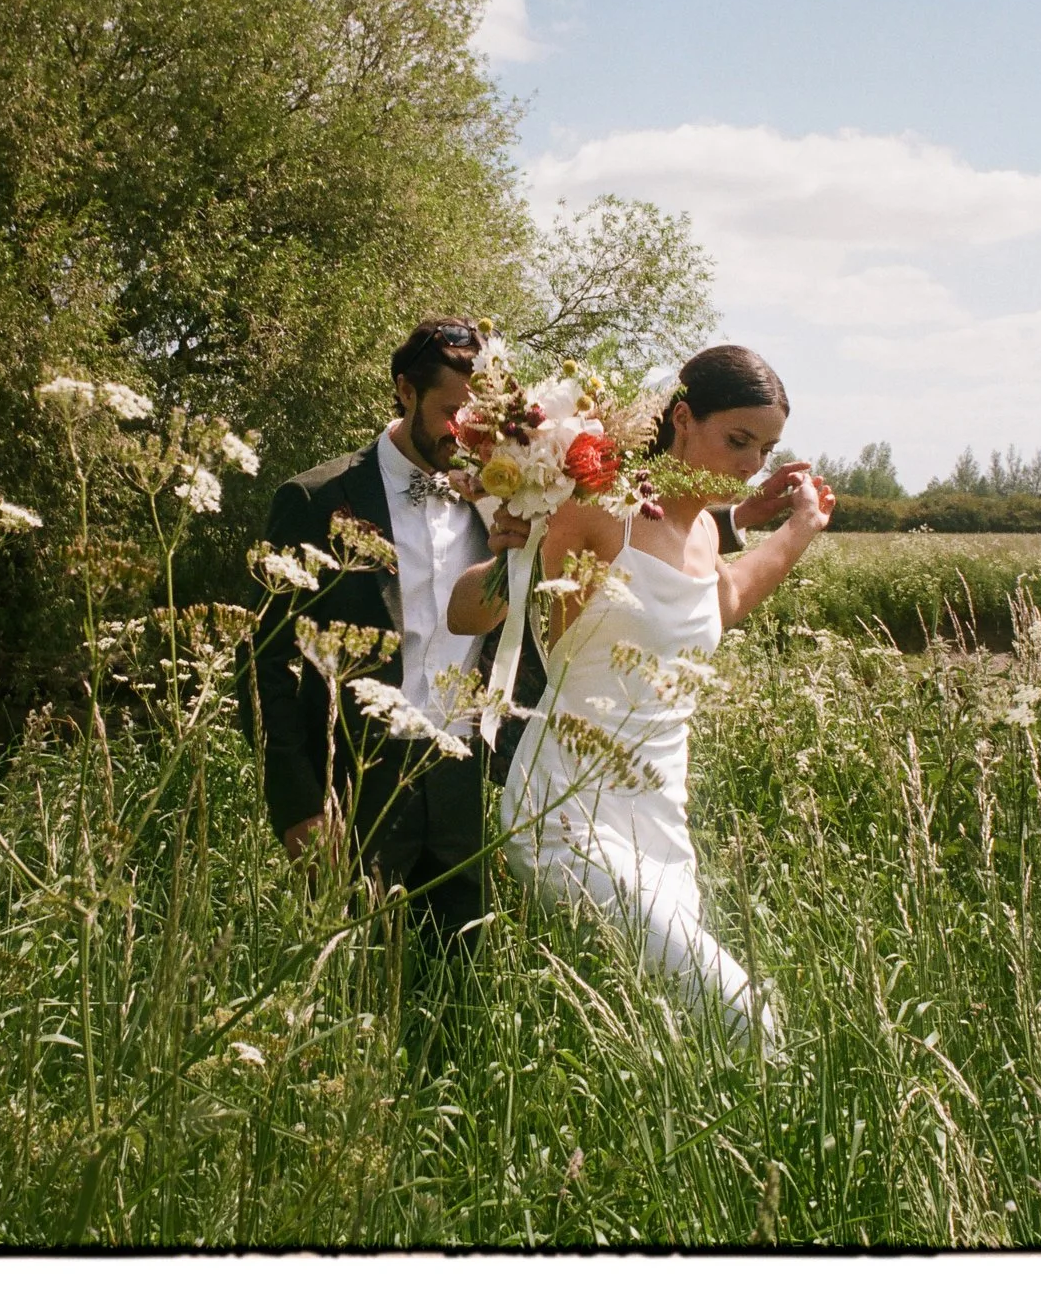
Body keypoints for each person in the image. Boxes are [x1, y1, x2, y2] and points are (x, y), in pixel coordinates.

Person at [252, 320, 809, 948]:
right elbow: (271, 668)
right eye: (450, 415)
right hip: (355, 774)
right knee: (348, 980)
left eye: (475, 423)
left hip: (467, 774)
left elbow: (624, 550)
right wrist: (300, 809)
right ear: (405, 393)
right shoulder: (319, 499)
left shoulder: (504, 487)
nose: (463, 436)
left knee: (456, 996)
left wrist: (734, 518)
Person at [448, 344, 835, 1043]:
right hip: (564, 809)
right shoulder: (600, 511)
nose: (751, 465)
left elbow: (728, 598)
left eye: (766, 448)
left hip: (659, 814)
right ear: (683, 419)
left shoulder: (702, 536)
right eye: (737, 440)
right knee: (746, 1020)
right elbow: (466, 615)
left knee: (658, 1034)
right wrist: (512, 550)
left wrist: (801, 528)